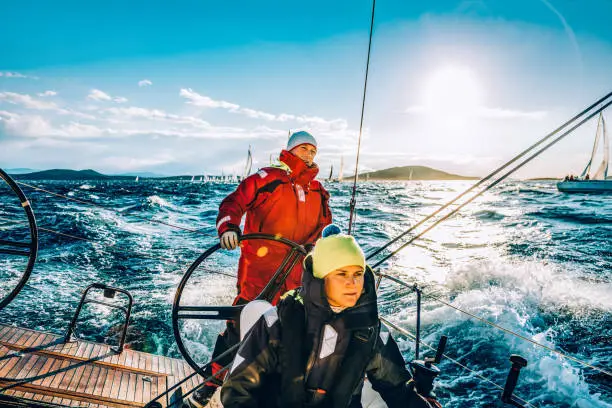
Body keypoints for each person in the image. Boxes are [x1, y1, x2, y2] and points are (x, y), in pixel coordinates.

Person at [189, 131, 332, 407]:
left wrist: (321, 250)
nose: (309, 154)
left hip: (297, 281)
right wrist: (229, 227)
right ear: (291, 150)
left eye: (313, 151)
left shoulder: (319, 192)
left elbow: (325, 230)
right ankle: (209, 386)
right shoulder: (267, 179)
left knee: (291, 337)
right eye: (304, 149)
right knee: (238, 331)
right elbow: (234, 203)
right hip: (259, 278)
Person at [219, 233, 443, 408]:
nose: (352, 283)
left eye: (358, 274)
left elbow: (398, 389)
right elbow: (237, 391)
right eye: (341, 274)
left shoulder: (371, 330)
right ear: (321, 278)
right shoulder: (276, 322)